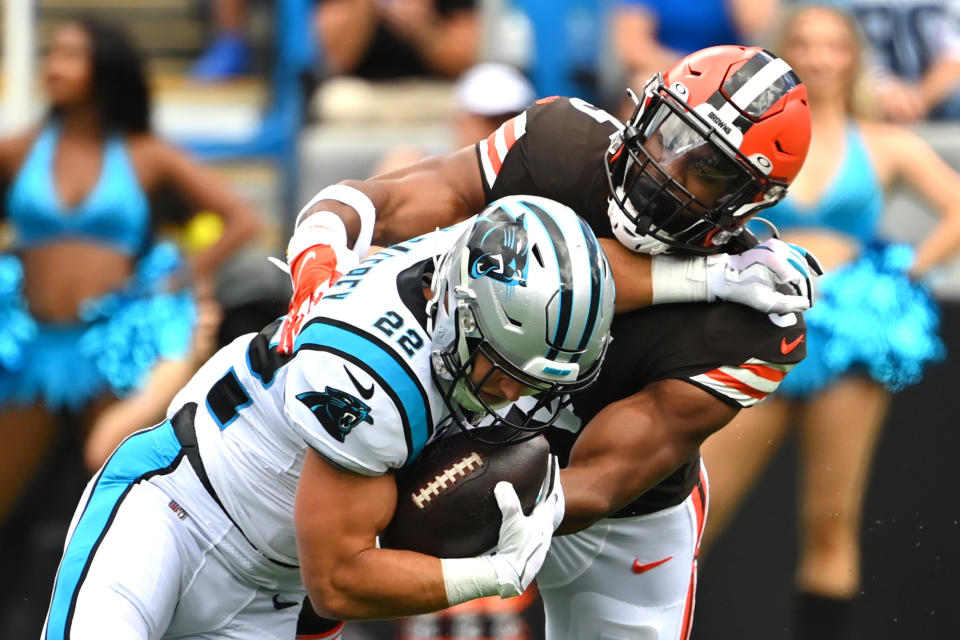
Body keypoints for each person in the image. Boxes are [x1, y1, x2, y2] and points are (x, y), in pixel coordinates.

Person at [281, 45, 819, 637]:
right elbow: (394, 204)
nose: (670, 170)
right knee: (304, 558)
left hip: (612, 521)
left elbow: (602, 479)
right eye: (672, 134)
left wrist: (472, 512)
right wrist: (323, 237)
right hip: (448, 415)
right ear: (646, 110)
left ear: (750, 202)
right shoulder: (560, 143)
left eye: (710, 170)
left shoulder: (757, 320)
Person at [42, 195, 616, 639]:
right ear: (462, 312)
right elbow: (339, 581)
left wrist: (696, 279)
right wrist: (493, 575)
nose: (513, 395)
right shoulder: (375, 374)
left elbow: (346, 201)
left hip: (278, 590)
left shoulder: (467, 263)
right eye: (503, 368)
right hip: (176, 515)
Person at [699, 6, 960, 639]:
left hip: (847, 333)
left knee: (830, 521)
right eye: (803, 44)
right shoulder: (746, 143)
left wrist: (907, 273)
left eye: (832, 44)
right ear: (781, 55)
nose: (818, 57)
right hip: (758, 327)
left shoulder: (885, 142)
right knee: (693, 513)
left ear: (853, 56)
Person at [0, 18, 260, 527]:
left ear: (106, 69)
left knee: (128, 491)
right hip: (32, 350)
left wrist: (186, 273)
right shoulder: (21, 149)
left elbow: (242, 220)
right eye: (51, 55)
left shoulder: (146, 154)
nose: (53, 67)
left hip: (113, 348)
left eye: (70, 56)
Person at [612, 0, 781, 81]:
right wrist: (694, 72)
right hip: (668, 71)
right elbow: (634, 49)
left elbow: (754, 22)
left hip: (726, 74)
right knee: (644, 82)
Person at [847, 0, 960, 122]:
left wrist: (918, 100)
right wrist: (882, 86)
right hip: (867, 88)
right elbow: (837, 46)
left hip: (934, 95)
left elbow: (954, 56)